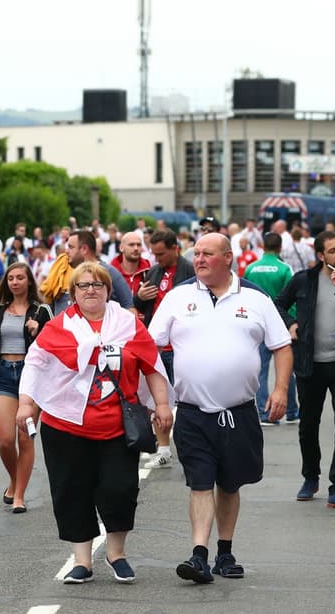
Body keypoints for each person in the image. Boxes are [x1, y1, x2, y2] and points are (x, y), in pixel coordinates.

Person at [149, 232, 292, 583]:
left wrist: (281, 389)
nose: (198, 259)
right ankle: (198, 554)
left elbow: (282, 346)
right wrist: (160, 399)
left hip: (238, 411)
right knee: (199, 482)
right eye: (195, 253)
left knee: (229, 484)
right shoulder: (178, 297)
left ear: (228, 258)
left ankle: (224, 553)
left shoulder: (255, 298)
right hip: (193, 411)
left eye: (207, 254)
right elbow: (150, 346)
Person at [17, 262, 171, 583]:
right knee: (72, 490)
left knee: (120, 488)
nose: (90, 290)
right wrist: (26, 404)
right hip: (65, 425)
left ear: (107, 290)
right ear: (73, 293)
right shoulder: (59, 327)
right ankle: (82, 561)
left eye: (97, 285)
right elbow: (34, 365)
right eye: (83, 286)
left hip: (117, 425)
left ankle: (117, 554)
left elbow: (151, 365)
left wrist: (161, 404)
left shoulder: (128, 325)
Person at [275, 230, 335, 508]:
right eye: (333, 250)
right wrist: (289, 323)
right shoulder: (304, 280)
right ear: (321, 256)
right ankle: (310, 477)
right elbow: (277, 304)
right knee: (308, 426)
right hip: (310, 365)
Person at [0, 262, 52, 512]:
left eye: (20, 278)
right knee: (5, 440)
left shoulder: (41, 311)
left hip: (32, 378)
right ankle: (15, 480)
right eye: (11, 278)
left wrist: (38, 331)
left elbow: (56, 344)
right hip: (5, 375)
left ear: (29, 281)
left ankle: (19, 496)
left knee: (25, 439)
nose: (15, 282)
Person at [134, 229, 196, 468]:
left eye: (161, 254)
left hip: (184, 347)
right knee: (157, 399)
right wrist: (139, 296)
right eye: (154, 253)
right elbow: (140, 305)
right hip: (158, 348)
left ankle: (189, 448)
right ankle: (163, 450)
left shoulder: (190, 271)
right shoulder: (153, 272)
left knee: (186, 401)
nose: (157, 258)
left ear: (174, 249)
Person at [243, 232, 299, 426]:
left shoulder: (251, 268)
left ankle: (264, 413)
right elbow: (290, 299)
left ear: (262, 246)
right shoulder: (284, 268)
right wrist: (293, 322)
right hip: (279, 323)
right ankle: (292, 411)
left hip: (256, 324)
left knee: (261, 370)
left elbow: (243, 294)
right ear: (280, 247)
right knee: (286, 369)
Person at [49, 231, 133, 315]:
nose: (66, 251)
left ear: (84, 249)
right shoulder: (61, 270)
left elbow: (130, 309)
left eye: (71, 247)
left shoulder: (108, 272)